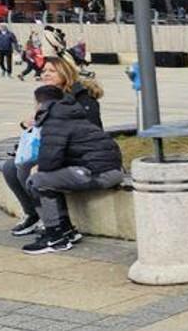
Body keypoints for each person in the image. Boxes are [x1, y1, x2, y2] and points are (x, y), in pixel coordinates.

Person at [22, 85, 124, 254]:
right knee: (49, 180)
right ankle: (66, 231)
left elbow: (49, 162)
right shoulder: (68, 115)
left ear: (39, 103)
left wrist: (38, 167)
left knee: (37, 181)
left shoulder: (55, 121)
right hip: (108, 169)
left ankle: (55, 237)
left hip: (99, 173)